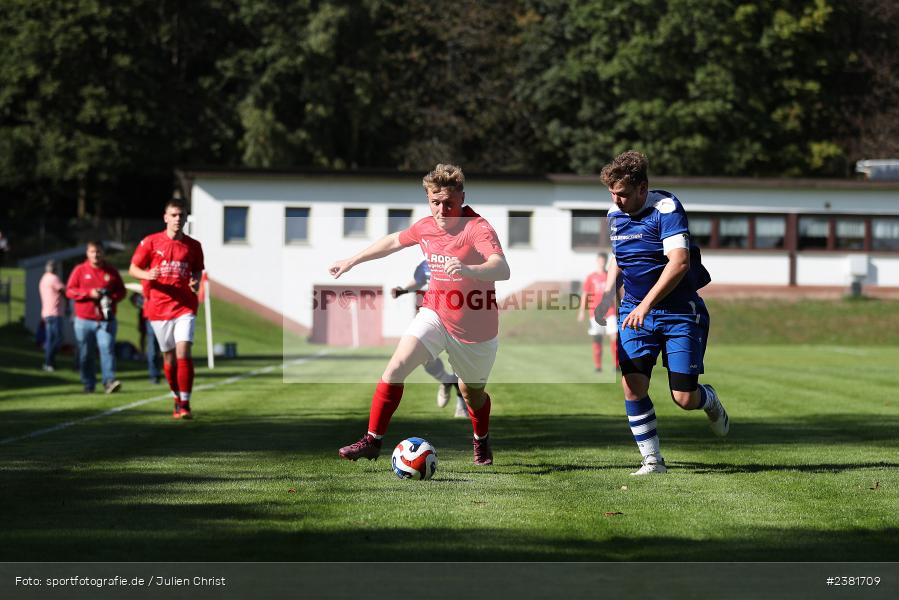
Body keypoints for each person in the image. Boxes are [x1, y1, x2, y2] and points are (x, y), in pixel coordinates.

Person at [331, 163, 510, 466]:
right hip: (436, 313)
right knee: (396, 367)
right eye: (435, 202)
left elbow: (502, 267)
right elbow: (393, 241)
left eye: (449, 203)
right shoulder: (426, 226)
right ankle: (372, 440)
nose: (442, 210)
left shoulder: (478, 229)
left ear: (462, 197)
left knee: (472, 395)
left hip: (476, 331)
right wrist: (353, 260)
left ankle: (481, 440)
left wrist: (469, 269)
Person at [599, 150, 729, 476]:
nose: (617, 200)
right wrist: (607, 295)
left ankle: (709, 400)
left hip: (679, 313)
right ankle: (653, 461)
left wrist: (646, 305)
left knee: (684, 398)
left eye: (624, 194)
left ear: (643, 188)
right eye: (612, 194)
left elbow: (679, 262)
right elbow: (621, 259)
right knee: (632, 385)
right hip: (634, 313)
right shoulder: (614, 214)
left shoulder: (666, 208)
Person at [129, 198, 205, 419]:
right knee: (169, 358)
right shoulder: (151, 242)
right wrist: (147, 275)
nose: (178, 219)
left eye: (181, 215)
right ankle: (175, 396)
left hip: (185, 306)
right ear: (165, 218)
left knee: (183, 351)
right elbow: (134, 268)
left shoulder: (194, 246)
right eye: (173, 215)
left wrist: (195, 282)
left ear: (186, 218)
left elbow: (198, 270)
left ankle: (185, 403)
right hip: (158, 308)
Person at [392, 259, 467, 418]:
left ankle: (461, 406)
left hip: (459, 320)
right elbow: (418, 281)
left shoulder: (461, 259)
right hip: (432, 318)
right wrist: (403, 290)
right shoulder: (426, 263)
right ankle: (446, 380)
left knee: (459, 365)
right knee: (424, 359)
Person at [66, 241, 125, 393]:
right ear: (87, 253)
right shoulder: (79, 270)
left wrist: (111, 297)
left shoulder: (111, 271)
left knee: (107, 349)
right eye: (92, 251)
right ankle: (88, 384)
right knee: (86, 353)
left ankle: (109, 381)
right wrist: (89, 294)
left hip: (106, 320)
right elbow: (70, 291)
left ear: (103, 253)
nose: (96, 255)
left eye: (98, 251)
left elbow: (122, 291)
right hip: (84, 320)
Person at [578, 252, 618, 372]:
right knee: (597, 338)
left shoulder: (609, 275)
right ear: (597, 261)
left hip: (610, 311)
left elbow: (614, 294)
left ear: (606, 261)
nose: (601, 262)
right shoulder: (591, 277)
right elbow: (585, 295)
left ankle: (616, 365)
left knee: (614, 337)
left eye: (603, 260)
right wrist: (581, 311)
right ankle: (598, 366)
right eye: (600, 260)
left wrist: (617, 308)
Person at [130, 284, 161, 384]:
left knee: (166, 347)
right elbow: (134, 299)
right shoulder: (145, 280)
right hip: (149, 317)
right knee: (152, 346)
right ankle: (154, 375)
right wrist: (142, 303)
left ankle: (170, 373)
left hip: (165, 316)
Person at [39, 260, 66, 372]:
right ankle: (49, 360)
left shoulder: (43, 278)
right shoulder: (54, 278)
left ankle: (49, 363)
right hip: (55, 313)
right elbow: (64, 291)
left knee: (50, 339)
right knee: (58, 339)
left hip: (46, 313)